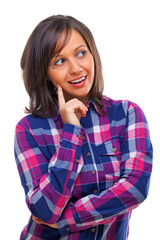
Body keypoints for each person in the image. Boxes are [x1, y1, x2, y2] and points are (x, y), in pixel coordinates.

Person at [14, 15, 153, 240]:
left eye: (81, 53)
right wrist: (70, 133)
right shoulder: (29, 130)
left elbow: (135, 189)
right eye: (59, 61)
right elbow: (43, 209)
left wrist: (64, 221)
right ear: (44, 73)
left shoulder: (127, 115)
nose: (76, 68)